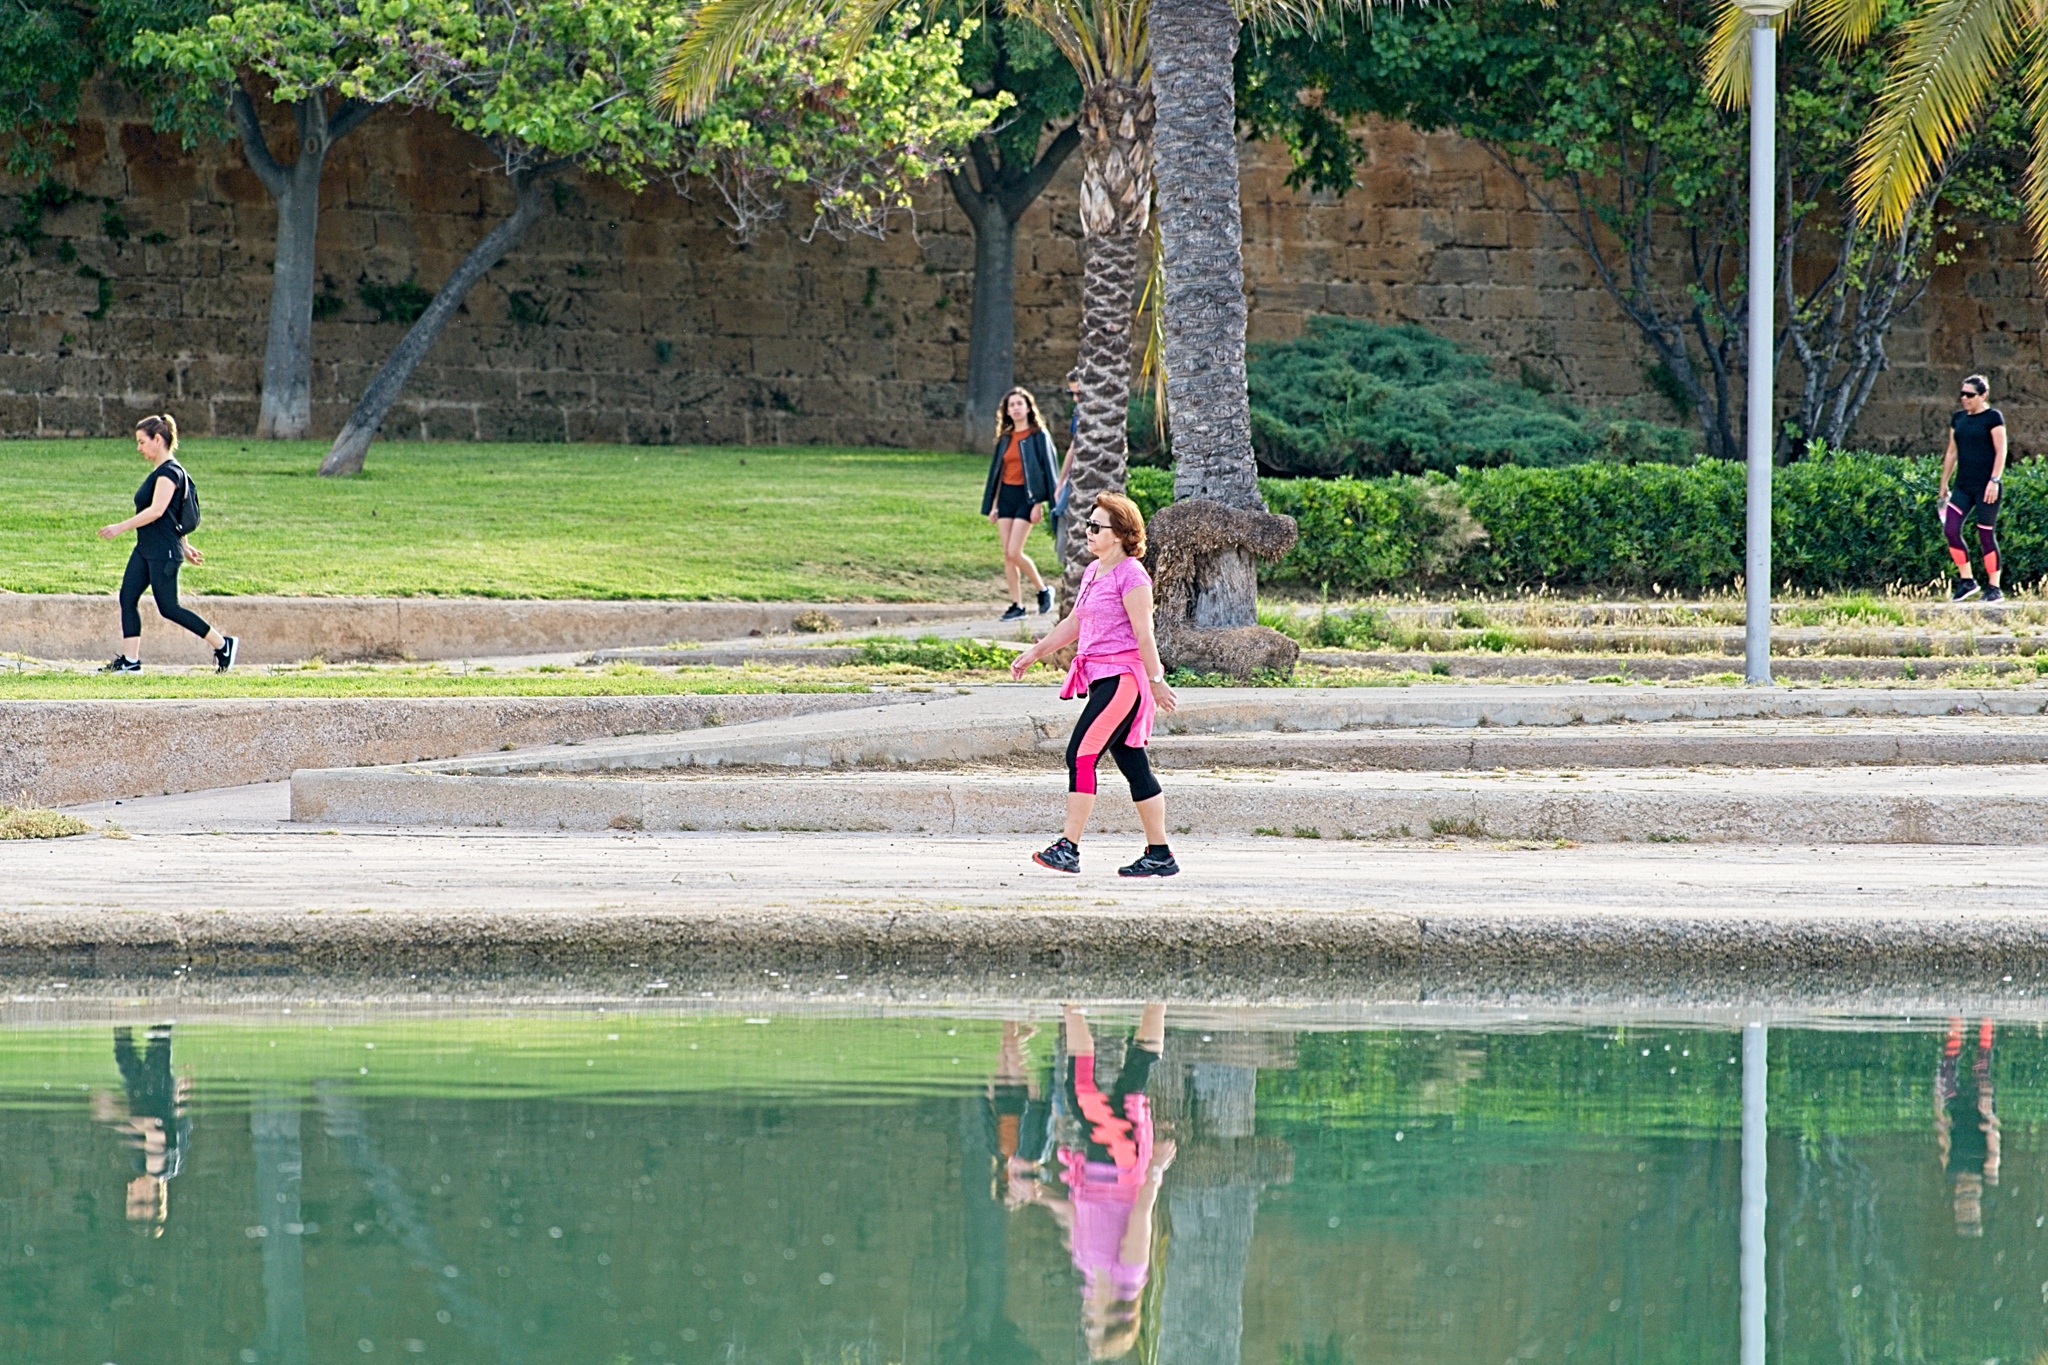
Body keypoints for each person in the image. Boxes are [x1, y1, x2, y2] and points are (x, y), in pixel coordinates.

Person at [1010, 492, 1179, 877]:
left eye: (1095, 526)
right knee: (1135, 768)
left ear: (1119, 534)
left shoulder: (1132, 575)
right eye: (1088, 524)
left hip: (1123, 680)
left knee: (1080, 755)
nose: (1087, 531)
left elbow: (1144, 632)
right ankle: (1160, 854)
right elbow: (1074, 623)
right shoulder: (1094, 570)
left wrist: (1156, 681)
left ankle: (1068, 848)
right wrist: (1035, 652)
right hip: (1102, 678)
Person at [1016, 1005, 1173, 1361]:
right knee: (1087, 1092)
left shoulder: (1089, 1268)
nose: (1085, 1318)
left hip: (1097, 1169)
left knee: (1125, 1078)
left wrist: (1039, 1195)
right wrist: (1156, 1168)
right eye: (1093, 1324)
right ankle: (1078, 1008)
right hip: (1121, 1164)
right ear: (1115, 1317)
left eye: (1086, 1326)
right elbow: (1141, 1216)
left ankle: (1096, 1007)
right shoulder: (1129, 1272)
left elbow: (1075, 1215)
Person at [98, 414, 238, 672]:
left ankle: (223, 644)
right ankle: (130, 661)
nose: (138, 448)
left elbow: (158, 511)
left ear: (158, 439)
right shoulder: (161, 471)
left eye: (142, 441)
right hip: (146, 548)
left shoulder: (169, 473)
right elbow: (172, 516)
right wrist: (185, 545)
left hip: (162, 552)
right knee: (127, 597)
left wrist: (120, 527)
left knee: (169, 608)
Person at [90, 1024, 192, 1233]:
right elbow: (155, 1128)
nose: (129, 1190)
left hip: (141, 1094)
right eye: (133, 1197)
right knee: (156, 1044)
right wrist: (115, 1115)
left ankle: (124, 1010)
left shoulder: (142, 1165)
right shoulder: (159, 1168)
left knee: (125, 1053)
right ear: (147, 1198)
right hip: (153, 1094)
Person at [981, 387, 1061, 620]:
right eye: (1011, 405)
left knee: (1014, 551)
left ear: (1028, 407)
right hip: (1006, 497)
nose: (1015, 408)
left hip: (1028, 498)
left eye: (1019, 404)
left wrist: (1039, 503)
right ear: (1006, 411)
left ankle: (1043, 590)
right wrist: (994, 505)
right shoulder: (1005, 439)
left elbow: (1047, 472)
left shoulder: (1038, 436)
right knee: (1008, 555)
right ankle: (1017, 605)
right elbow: (998, 473)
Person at [1938, 375, 2008, 603]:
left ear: (1983, 395)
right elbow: (1951, 452)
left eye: (1970, 394)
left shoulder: (1993, 417)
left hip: (1986, 486)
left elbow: (2001, 451)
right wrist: (1943, 485)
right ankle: (1967, 581)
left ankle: (1994, 587)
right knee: (1950, 529)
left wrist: (1994, 481)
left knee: (1985, 533)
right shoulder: (1958, 418)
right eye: (1962, 394)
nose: (1964, 398)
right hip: (1963, 486)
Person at [1936, 1016, 2000, 1237]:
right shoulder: (1988, 1171)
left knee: (1947, 1069)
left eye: (1961, 1196)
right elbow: (1993, 1137)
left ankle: (1957, 1021)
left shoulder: (1950, 1169)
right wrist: (1988, 1108)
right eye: (1969, 1196)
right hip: (1979, 1112)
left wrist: (1939, 1106)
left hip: (1956, 1112)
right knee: (1981, 1068)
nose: (1965, 1191)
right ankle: (1986, 1019)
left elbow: (1942, 1134)